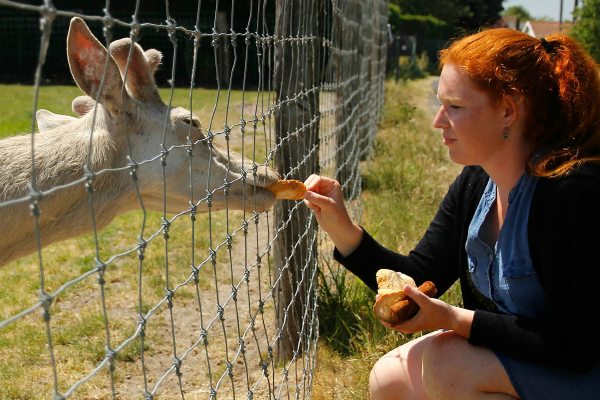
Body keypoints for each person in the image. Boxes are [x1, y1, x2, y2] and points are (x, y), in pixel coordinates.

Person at [303, 28, 600, 400]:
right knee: (390, 378)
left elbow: (576, 345)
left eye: (455, 107)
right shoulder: (478, 181)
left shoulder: (571, 193)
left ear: (508, 110)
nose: (438, 120)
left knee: (448, 364)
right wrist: (341, 228)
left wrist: (454, 320)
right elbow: (421, 277)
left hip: (582, 367)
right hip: (542, 361)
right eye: (440, 104)